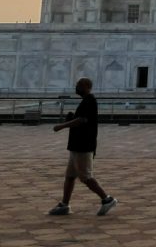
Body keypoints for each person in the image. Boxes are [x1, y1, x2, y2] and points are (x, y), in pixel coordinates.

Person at [48, 78, 118, 216]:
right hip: (76, 144)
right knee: (70, 176)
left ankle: (107, 199)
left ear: (87, 86)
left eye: (79, 86)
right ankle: (64, 205)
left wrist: (62, 126)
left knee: (86, 177)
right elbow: (81, 118)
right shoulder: (85, 101)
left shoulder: (90, 100)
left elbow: (82, 120)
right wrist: (72, 117)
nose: (76, 88)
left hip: (84, 145)